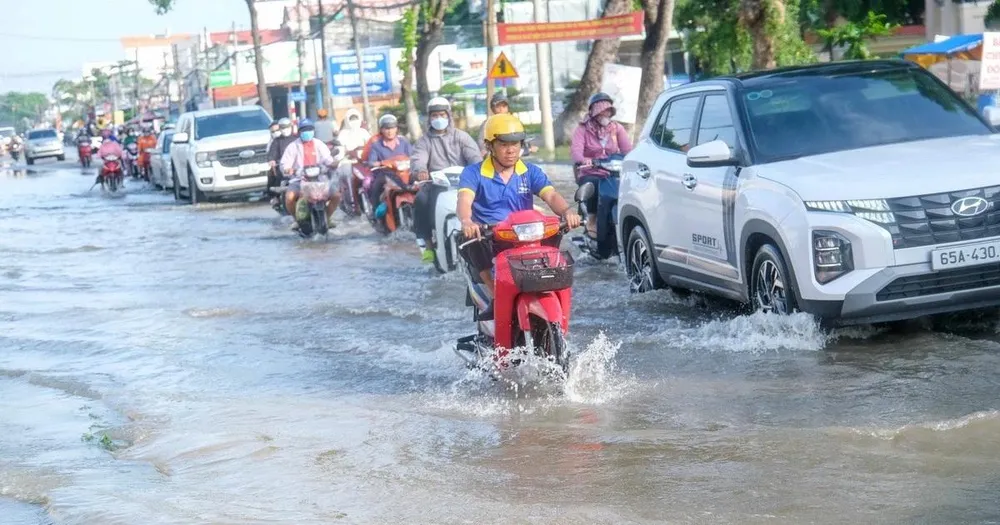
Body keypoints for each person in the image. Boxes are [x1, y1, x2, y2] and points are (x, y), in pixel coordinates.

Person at [458, 114, 581, 313]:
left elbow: (550, 196)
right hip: (489, 237)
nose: (511, 150)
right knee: (473, 240)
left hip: (524, 237)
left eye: (516, 144)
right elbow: (464, 200)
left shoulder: (531, 172)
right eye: (504, 144)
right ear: (490, 146)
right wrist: (466, 221)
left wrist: (567, 212)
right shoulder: (473, 173)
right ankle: (496, 295)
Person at [411, 96, 482, 263]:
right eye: (434, 115)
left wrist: (479, 168)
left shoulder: (461, 137)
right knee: (420, 200)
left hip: (464, 184)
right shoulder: (424, 141)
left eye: (442, 115)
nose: (438, 119)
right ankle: (428, 245)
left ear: (448, 116)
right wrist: (420, 170)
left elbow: (474, 157)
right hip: (436, 184)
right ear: (429, 118)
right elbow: (418, 159)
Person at [570, 92, 633, 236]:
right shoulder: (582, 129)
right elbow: (576, 152)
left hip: (612, 172)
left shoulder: (617, 128)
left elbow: (627, 150)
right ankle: (591, 218)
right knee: (594, 185)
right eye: (602, 111)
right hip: (590, 171)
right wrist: (584, 160)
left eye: (608, 111)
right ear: (595, 112)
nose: (605, 114)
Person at [279, 119, 341, 229]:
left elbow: (328, 159)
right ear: (299, 132)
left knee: (336, 196)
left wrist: (334, 163)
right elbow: (284, 164)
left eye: (309, 130)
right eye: (304, 130)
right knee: (289, 197)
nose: (306, 132)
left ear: (313, 131)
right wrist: (288, 169)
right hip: (299, 179)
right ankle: (297, 220)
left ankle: (327, 217)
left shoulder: (319, 144)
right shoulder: (293, 146)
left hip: (320, 179)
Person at [367, 114, 414, 216]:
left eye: (392, 128)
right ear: (381, 130)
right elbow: (371, 162)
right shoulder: (376, 145)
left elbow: (413, 156)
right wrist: (379, 163)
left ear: (396, 129)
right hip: (386, 174)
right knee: (375, 186)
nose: (389, 131)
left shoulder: (404, 142)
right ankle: (375, 211)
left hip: (405, 173)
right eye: (386, 128)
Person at [477, 92, 540, 157]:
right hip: (494, 154)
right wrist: (484, 151)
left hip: (512, 153)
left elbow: (521, 137)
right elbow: (481, 140)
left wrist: (528, 147)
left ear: (508, 107)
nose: (501, 109)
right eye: (498, 106)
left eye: (504, 106)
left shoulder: (513, 121)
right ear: (492, 108)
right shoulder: (488, 123)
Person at [267, 118, 298, 206]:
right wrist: (272, 160)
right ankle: (275, 197)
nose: (285, 129)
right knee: (275, 175)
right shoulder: (277, 141)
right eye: (282, 128)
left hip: (297, 167)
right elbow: (272, 152)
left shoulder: (297, 139)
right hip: (283, 167)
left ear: (291, 127)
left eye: (287, 127)